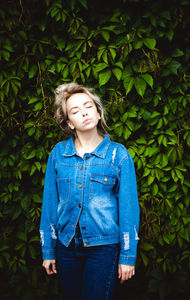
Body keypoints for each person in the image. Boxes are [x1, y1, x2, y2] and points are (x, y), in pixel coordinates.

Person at [39, 82, 140, 300]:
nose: (84, 112)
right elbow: (49, 203)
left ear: (98, 111)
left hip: (103, 248)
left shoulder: (118, 155)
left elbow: (129, 209)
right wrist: (48, 250)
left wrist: (128, 256)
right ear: (69, 123)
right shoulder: (58, 154)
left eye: (88, 106)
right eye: (76, 111)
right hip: (66, 248)